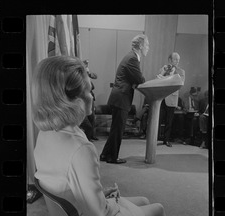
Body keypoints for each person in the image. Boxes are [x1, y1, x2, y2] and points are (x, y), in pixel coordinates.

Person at [32, 56, 193, 216]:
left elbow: (68, 185)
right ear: (72, 100)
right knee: (156, 210)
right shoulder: (80, 148)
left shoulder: (45, 135)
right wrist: (114, 204)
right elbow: (98, 213)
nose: (92, 95)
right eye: (88, 91)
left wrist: (103, 196)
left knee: (144, 203)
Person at [100, 34, 149, 164]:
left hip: (119, 97)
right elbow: (139, 79)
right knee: (118, 130)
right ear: (140, 46)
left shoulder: (131, 57)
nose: (148, 48)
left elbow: (136, 80)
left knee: (116, 129)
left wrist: (136, 82)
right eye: (147, 45)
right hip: (121, 98)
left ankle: (105, 155)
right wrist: (139, 81)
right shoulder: (133, 59)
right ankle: (112, 157)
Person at [157, 52, 185, 147]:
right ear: (170, 60)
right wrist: (164, 72)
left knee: (169, 121)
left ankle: (166, 140)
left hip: (172, 98)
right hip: (161, 97)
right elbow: (158, 80)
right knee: (158, 119)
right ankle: (155, 138)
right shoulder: (163, 68)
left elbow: (180, 85)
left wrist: (172, 75)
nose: (177, 61)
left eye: (178, 59)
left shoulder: (181, 72)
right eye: (175, 59)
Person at [79, 59, 98, 141]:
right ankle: (88, 138)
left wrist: (88, 74)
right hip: (84, 98)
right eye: (85, 64)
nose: (86, 66)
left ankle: (92, 135)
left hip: (90, 97)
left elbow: (95, 76)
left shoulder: (88, 74)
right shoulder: (80, 75)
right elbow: (90, 86)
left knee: (92, 118)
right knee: (87, 121)